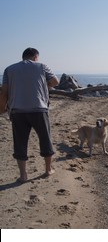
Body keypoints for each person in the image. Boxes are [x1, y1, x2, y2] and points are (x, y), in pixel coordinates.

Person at [0, 48, 59, 183]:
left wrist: (1, 109)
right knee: (45, 139)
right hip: (39, 109)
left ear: (23, 57)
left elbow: (4, 92)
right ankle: (48, 170)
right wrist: (44, 86)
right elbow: (55, 81)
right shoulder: (42, 66)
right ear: (36, 57)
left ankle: (23, 175)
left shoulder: (9, 69)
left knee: (20, 143)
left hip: (17, 111)